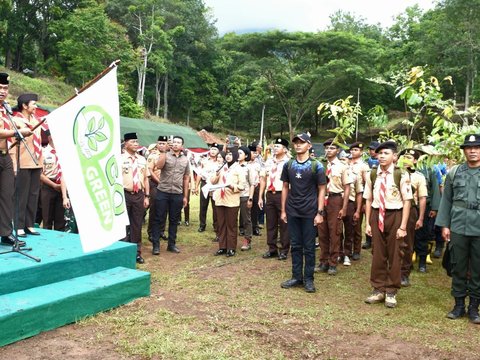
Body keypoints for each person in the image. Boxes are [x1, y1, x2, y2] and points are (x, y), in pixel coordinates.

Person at [436, 134, 480, 324]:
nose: (472, 151)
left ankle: (474, 308)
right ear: (464, 150)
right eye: (469, 148)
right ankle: (459, 305)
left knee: (478, 269)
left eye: (476, 148)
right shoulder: (455, 172)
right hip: (458, 226)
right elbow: (446, 200)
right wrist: (445, 225)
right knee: (458, 266)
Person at [364, 141, 412, 308]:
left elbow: (407, 202)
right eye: (379, 153)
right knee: (377, 252)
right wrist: (368, 224)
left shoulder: (402, 175)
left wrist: (403, 226)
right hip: (377, 214)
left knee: (395, 253)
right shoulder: (372, 174)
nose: (382, 156)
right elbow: (368, 199)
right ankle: (378, 289)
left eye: (386, 153)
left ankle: (391, 291)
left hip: (395, 214)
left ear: (394, 156)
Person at [280, 133, 326, 293]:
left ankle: (308, 279)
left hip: (310, 211)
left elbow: (322, 189)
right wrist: (283, 210)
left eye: (302, 142)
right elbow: (285, 187)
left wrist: (320, 212)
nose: (298, 145)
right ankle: (296, 277)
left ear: (309, 145)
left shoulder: (317, 165)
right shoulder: (289, 165)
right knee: (295, 245)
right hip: (293, 210)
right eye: (296, 143)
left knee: (309, 247)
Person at [0, 73, 31, 246]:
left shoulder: (6, 109)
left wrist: (20, 127)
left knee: (7, 195)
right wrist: (17, 132)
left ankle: (5, 232)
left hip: (5, 156)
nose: (2, 91)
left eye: (5, 88)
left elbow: (10, 127)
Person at [316, 138, 352, 275]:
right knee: (322, 231)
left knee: (335, 231)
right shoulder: (320, 165)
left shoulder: (342, 166)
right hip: (321, 199)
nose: (328, 150)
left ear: (338, 150)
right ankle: (323, 261)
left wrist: (344, 207)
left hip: (335, 199)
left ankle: (333, 262)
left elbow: (347, 188)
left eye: (331, 148)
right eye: (326, 148)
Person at [11, 93, 43, 238]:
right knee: (21, 195)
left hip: (36, 162)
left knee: (33, 194)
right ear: (24, 106)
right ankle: (18, 226)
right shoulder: (16, 120)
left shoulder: (37, 120)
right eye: (33, 104)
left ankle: (30, 224)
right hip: (22, 162)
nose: (36, 106)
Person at [151, 135, 190, 254]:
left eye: (179, 142)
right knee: (158, 218)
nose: (176, 144)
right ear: (171, 144)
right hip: (163, 191)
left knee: (174, 220)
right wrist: (164, 151)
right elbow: (159, 166)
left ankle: (171, 244)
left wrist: (185, 196)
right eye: (174, 142)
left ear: (182, 145)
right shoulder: (165, 155)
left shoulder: (185, 160)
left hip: (177, 193)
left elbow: (186, 178)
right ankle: (156, 245)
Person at [398, 148, 427, 287]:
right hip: (394, 209)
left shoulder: (419, 177)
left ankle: (404, 273)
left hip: (410, 211)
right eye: (404, 156)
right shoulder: (394, 173)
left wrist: (420, 218)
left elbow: (422, 198)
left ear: (415, 160)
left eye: (409, 157)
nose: (405, 159)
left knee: (407, 242)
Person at [258, 138, 290, 260]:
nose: (275, 148)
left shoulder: (289, 162)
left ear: (285, 149)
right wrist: (261, 196)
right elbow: (263, 179)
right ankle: (272, 248)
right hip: (270, 194)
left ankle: (284, 249)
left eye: (278, 146)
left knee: (284, 222)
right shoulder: (269, 162)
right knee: (270, 222)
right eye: (274, 146)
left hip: (283, 194)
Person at [121, 132, 150, 264]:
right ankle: (123, 251)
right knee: (123, 224)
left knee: (137, 224)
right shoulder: (119, 159)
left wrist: (147, 196)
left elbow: (145, 179)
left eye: (137, 142)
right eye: (133, 142)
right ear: (125, 143)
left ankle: (136, 253)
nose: (136, 144)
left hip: (139, 195)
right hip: (124, 194)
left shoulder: (142, 160)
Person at [211, 150, 244, 256]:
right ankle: (222, 247)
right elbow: (213, 181)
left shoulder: (239, 169)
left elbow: (242, 186)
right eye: (227, 154)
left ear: (235, 156)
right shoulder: (221, 167)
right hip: (220, 200)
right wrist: (216, 174)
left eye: (231, 154)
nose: (228, 156)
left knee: (231, 225)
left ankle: (231, 247)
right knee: (221, 224)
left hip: (231, 201)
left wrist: (232, 186)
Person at [348, 142, 369, 260]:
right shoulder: (346, 163)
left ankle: (356, 250)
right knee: (347, 225)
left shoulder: (364, 166)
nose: (353, 152)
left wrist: (365, 203)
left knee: (356, 225)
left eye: (356, 150)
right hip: (348, 196)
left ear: (361, 152)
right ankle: (347, 248)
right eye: (351, 150)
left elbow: (367, 185)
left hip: (358, 197)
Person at [40, 132, 65, 230]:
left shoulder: (64, 152)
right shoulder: (43, 152)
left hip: (62, 186)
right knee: (47, 218)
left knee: (61, 220)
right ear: (50, 137)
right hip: (48, 186)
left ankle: (61, 242)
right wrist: (53, 185)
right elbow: (39, 174)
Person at [194, 143, 221, 235]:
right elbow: (199, 174)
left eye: (215, 150)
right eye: (212, 149)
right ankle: (202, 225)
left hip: (215, 185)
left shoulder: (220, 161)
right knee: (203, 205)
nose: (213, 151)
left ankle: (216, 225)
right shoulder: (204, 161)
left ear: (218, 151)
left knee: (216, 206)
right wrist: (196, 186)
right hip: (205, 184)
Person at [146, 136, 168, 242]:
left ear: (167, 144)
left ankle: (161, 231)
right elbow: (150, 170)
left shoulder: (169, 155)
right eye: (160, 143)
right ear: (157, 144)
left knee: (164, 209)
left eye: (164, 143)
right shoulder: (152, 156)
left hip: (167, 186)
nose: (161, 145)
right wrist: (159, 182)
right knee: (154, 209)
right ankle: (151, 232)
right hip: (155, 184)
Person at [237, 146, 255, 251]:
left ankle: (247, 240)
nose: (238, 155)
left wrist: (250, 198)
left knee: (246, 219)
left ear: (246, 155)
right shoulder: (234, 166)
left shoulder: (249, 167)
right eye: (237, 153)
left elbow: (252, 184)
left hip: (244, 195)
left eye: (241, 153)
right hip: (233, 196)